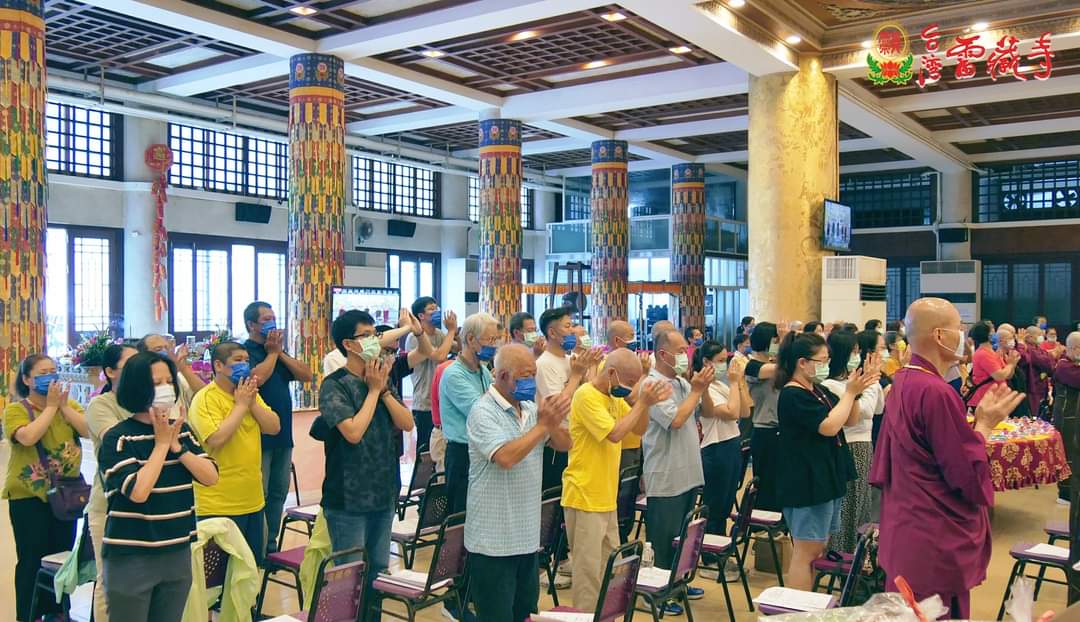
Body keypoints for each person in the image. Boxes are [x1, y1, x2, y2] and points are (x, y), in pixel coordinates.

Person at [871, 298, 1023, 617]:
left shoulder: (904, 380)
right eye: (958, 328)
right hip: (932, 537)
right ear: (940, 336)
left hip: (905, 524)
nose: (963, 335)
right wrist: (984, 425)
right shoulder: (936, 392)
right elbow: (964, 472)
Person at [97, 352, 219, 622]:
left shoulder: (182, 431)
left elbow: (211, 476)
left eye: (169, 381)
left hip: (177, 550)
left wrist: (177, 447)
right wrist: (162, 445)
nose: (165, 388)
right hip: (131, 556)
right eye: (156, 383)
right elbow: (139, 492)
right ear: (137, 387)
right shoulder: (119, 438)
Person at [318, 309, 414, 619]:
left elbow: (407, 423)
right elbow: (353, 432)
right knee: (350, 578)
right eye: (367, 336)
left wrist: (382, 389)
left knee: (378, 572)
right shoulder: (334, 385)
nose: (375, 341)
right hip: (348, 499)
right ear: (348, 344)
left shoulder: (380, 380)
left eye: (376, 335)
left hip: (383, 493)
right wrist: (373, 391)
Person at [466, 344, 571, 622]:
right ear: (503, 376)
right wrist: (542, 426)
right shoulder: (483, 411)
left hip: (526, 537)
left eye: (533, 374)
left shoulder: (530, 408)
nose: (531, 381)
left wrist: (553, 422)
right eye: (525, 376)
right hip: (493, 541)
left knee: (524, 614)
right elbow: (506, 457)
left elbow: (565, 444)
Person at [563, 349, 669, 609]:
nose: (631, 389)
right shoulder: (586, 395)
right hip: (585, 495)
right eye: (630, 382)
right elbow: (615, 434)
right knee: (588, 575)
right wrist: (641, 403)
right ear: (611, 373)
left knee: (612, 569)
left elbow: (639, 428)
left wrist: (645, 403)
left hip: (606, 496)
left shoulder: (612, 396)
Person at [774, 332, 877, 590]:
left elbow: (849, 419)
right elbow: (828, 427)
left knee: (818, 549)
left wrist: (855, 393)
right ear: (802, 362)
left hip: (826, 478)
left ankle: (809, 602)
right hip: (806, 483)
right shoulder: (793, 394)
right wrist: (850, 393)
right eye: (821, 360)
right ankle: (799, 608)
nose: (826, 365)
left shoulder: (818, 389)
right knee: (806, 552)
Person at [3, 354, 89, 622]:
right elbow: (28, 437)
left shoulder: (69, 405)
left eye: (53, 370)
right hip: (29, 497)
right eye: (42, 373)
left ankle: (57, 613)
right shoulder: (16, 410)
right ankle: (29, 615)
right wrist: (51, 408)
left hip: (66, 495)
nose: (50, 376)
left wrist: (63, 407)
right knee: (32, 559)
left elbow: (88, 430)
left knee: (61, 558)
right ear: (27, 379)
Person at [188, 341, 280, 565]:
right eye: (238, 360)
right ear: (218, 365)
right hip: (218, 504)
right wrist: (240, 406)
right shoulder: (206, 398)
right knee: (218, 577)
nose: (244, 365)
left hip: (252, 500)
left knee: (248, 571)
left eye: (247, 361)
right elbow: (216, 438)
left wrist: (251, 403)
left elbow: (274, 427)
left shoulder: (248, 394)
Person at [643, 328, 713, 612]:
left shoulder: (682, 382)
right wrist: (696, 390)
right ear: (663, 354)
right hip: (666, 473)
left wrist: (702, 389)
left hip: (688, 472)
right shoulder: (652, 385)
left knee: (683, 534)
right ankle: (658, 594)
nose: (687, 355)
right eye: (681, 351)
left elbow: (705, 412)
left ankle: (678, 582)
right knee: (663, 538)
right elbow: (675, 421)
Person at [242, 301, 313, 553]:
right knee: (259, 495)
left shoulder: (278, 351)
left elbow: (306, 375)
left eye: (273, 317)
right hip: (257, 437)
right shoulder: (245, 352)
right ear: (251, 324)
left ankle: (270, 545)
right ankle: (256, 548)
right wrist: (272, 354)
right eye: (266, 319)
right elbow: (256, 379)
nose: (272, 323)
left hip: (283, 436)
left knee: (278, 493)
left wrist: (279, 352)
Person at [85, 342, 138, 621]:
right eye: (129, 365)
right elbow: (120, 444)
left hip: (148, 505)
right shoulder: (100, 405)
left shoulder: (152, 402)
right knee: (110, 581)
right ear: (110, 372)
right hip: (110, 505)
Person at [820, 331, 882, 554]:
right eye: (854, 352)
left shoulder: (852, 384)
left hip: (865, 444)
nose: (858, 356)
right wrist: (869, 385)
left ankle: (857, 555)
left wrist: (871, 383)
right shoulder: (830, 385)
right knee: (849, 504)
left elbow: (878, 408)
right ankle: (840, 554)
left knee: (863, 504)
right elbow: (863, 411)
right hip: (850, 445)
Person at [693, 341, 750, 581]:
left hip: (731, 444)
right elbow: (731, 413)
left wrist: (740, 382)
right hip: (715, 449)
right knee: (714, 508)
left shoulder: (721, 384)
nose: (725, 365)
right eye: (720, 360)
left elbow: (745, 411)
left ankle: (719, 555)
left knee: (725, 506)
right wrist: (735, 383)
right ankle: (709, 559)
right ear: (707, 362)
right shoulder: (704, 387)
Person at [536, 306, 602, 490]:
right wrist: (575, 376)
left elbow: (590, 394)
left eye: (572, 325)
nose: (572, 331)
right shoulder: (543, 364)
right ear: (552, 333)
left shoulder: (571, 359)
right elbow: (556, 406)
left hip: (579, 440)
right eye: (567, 326)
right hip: (558, 445)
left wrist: (592, 366)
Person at [440, 312, 499, 515]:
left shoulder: (483, 371)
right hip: (462, 453)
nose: (494, 345)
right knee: (462, 516)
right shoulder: (454, 374)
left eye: (496, 340)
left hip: (483, 450)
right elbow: (482, 412)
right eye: (490, 339)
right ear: (471, 339)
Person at [406, 296, 459, 454]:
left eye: (437, 308)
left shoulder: (439, 334)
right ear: (421, 316)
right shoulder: (415, 337)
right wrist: (450, 331)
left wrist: (455, 333)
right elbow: (439, 356)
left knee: (441, 447)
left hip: (441, 399)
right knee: (425, 450)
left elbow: (458, 349)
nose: (436, 312)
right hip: (424, 402)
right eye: (431, 309)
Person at [745, 322, 783, 511]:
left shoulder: (773, 364)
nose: (777, 344)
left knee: (780, 483)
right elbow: (785, 367)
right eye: (776, 340)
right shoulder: (752, 366)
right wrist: (786, 340)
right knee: (767, 486)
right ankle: (762, 522)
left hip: (780, 430)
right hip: (765, 431)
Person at [137, 333, 205, 409]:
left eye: (166, 348)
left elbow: (205, 395)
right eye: (158, 349)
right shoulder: (139, 380)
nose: (164, 352)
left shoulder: (178, 376)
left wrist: (183, 368)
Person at [1054, 332, 1080, 507]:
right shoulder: (1064, 366)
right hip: (1066, 417)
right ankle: (1065, 494)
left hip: (1074, 415)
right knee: (1068, 455)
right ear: (1073, 348)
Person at [967, 323, 1019, 409]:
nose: (996, 335)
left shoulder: (994, 352)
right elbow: (999, 376)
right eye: (993, 332)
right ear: (988, 335)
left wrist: (1012, 364)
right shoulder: (983, 354)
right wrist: (1010, 364)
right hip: (985, 399)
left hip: (998, 398)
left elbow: (1008, 376)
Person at [1019, 325, 1058, 419]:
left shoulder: (1039, 349)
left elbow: (1050, 364)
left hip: (1042, 388)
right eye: (1039, 335)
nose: (1042, 337)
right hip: (1033, 389)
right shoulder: (1028, 349)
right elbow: (1046, 363)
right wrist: (1052, 357)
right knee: (1034, 416)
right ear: (1029, 337)